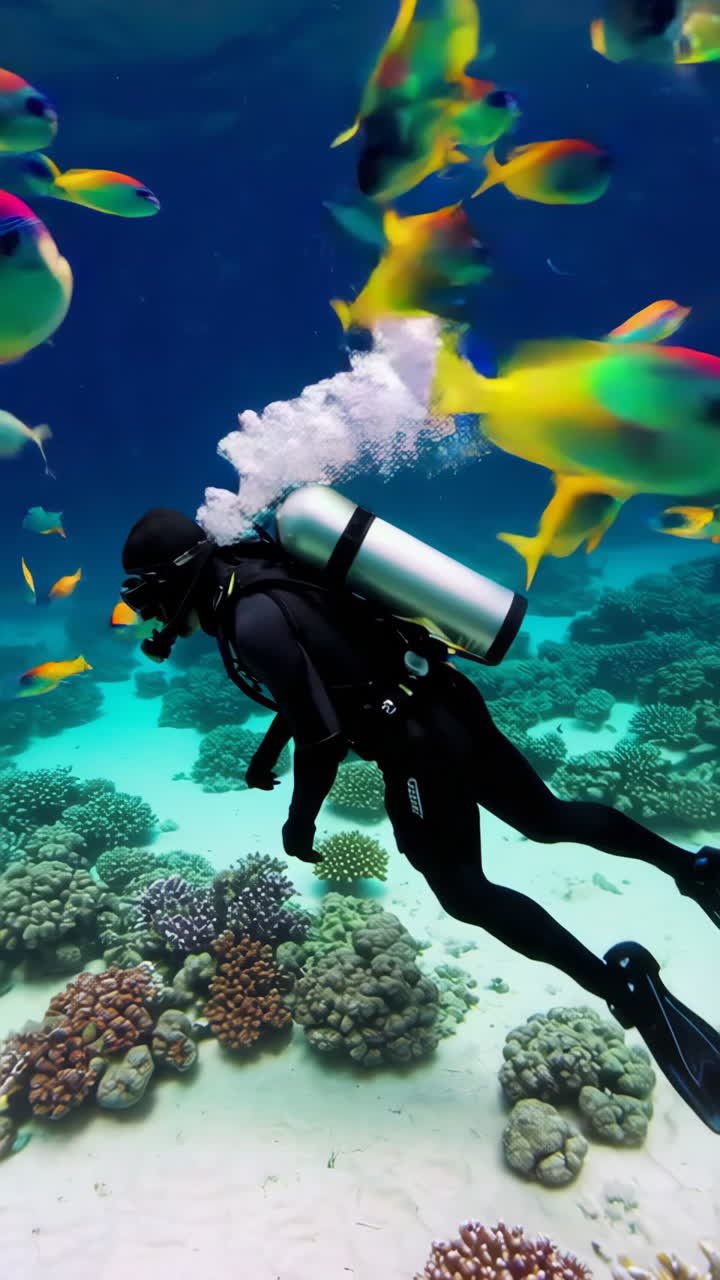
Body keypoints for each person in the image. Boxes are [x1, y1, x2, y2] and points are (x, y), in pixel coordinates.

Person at [120, 504, 720, 1131]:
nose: (153, 617)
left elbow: (322, 734)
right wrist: (267, 752)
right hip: (444, 700)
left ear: (174, 578)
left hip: (415, 747)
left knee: (465, 892)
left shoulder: (248, 619)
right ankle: (697, 869)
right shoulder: (260, 564)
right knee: (546, 816)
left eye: (147, 598)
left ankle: (621, 990)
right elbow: (325, 666)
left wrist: (300, 822)